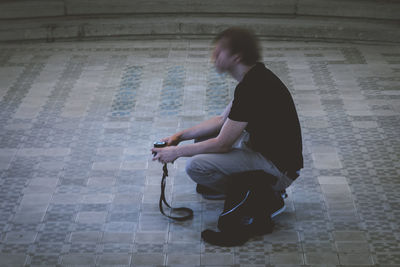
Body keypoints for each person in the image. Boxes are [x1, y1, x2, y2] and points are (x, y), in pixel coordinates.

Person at [151, 27, 303, 218]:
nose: (213, 56)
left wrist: (175, 152)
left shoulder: (253, 88)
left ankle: (265, 194)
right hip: (266, 155)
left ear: (236, 57)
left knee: (196, 166)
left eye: (219, 51)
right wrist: (178, 137)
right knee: (203, 138)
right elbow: (221, 120)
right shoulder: (254, 78)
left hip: (279, 169)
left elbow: (222, 145)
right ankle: (249, 188)